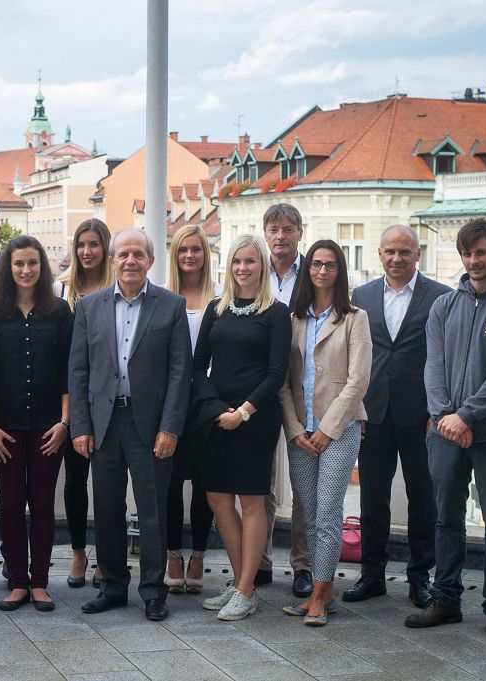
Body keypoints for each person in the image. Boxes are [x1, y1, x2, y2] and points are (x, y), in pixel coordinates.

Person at [405, 218, 486, 642]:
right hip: (445, 433)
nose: (473, 260)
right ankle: (445, 599)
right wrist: (447, 415)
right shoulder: (444, 307)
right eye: (467, 253)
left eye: (481, 252)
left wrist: (468, 417)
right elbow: (434, 367)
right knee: (446, 518)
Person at [69, 229, 192, 623]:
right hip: (104, 423)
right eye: (123, 254)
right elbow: (79, 370)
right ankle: (113, 587)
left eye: (138, 254)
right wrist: (80, 426)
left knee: (153, 510)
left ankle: (153, 591)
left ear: (150, 261)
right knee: (107, 508)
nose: (130, 261)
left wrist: (170, 428)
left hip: (150, 426)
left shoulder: (171, 306)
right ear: (112, 260)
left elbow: (180, 373)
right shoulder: (89, 306)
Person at [344, 226, 450, 609]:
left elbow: (444, 359)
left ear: (418, 254)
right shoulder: (362, 296)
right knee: (373, 498)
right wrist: (355, 409)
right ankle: (372, 575)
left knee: (423, 499)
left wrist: (438, 411)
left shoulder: (440, 297)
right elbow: (354, 355)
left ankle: (420, 578)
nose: (396, 258)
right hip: (373, 414)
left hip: (420, 415)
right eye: (390, 251)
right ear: (379, 254)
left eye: (405, 251)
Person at [194, 234, 290, 620]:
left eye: (250, 261)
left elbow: (276, 373)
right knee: (217, 498)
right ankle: (239, 584)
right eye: (236, 261)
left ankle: (247, 589)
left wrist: (243, 412)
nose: (242, 268)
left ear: (262, 266)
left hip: (256, 419)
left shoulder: (276, 313)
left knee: (251, 502)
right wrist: (218, 409)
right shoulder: (216, 308)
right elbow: (198, 366)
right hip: (218, 416)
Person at [278, 240, 371, 626]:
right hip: (301, 432)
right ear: (308, 270)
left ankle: (318, 594)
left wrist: (328, 429)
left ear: (340, 271)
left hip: (340, 430)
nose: (321, 271)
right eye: (316, 264)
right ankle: (325, 589)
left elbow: (358, 381)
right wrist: (295, 429)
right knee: (310, 514)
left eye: (330, 265)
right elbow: (284, 383)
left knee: (329, 512)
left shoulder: (355, 318)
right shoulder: (293, 319)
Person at [0, 235, 72, 612]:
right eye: (18, 263)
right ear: (8, 268)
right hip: (6, 429)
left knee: (43, 503)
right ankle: (18, 582)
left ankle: (40, 583)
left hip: (50, 428)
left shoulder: (60, 311)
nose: (26, 270)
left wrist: (65, 423)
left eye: (32, 263)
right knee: (11, 504)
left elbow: (68, 373)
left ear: (42, 267)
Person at [52, 218, 113, 589]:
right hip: (70, 396)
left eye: (94, 244)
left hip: (107, 398)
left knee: (106, 482)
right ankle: (78, 552)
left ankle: (106, 555)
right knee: (75, 481)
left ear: (105, 248)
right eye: (81, 245)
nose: (87, 251)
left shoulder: (117, 287)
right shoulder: (62, 290)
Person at [261, 203, 313, 598]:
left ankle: (303, 565)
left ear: (299, 232)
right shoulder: (251, 269)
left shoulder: (314, 272)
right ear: (265, 233)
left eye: (288, 229)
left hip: (302, 389)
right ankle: (259, 561)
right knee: (259, 482)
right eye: (274, 229)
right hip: (260, 389)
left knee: (303, 484)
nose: (281, 236)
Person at [164, 225, 219, 594]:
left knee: (204, 483)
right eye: (183, 249)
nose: (189, 256)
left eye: (196, 249)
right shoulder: (162, 297)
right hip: (171, 402)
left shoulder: (221, 297)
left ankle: (198, 554)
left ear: (205, 254)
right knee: (169, 482)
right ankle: (173, 554)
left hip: (208, 404)